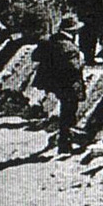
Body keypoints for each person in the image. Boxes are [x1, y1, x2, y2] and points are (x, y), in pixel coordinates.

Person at [31, 15, 85, 154]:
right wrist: (82, 60)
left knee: (64, 113)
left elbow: (35, 56)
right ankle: (65, 144)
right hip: (69, 85)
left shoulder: (51, 40)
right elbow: (74, 67)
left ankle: (64, 142)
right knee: (69, 114)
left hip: (55, 83)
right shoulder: (69, 47)